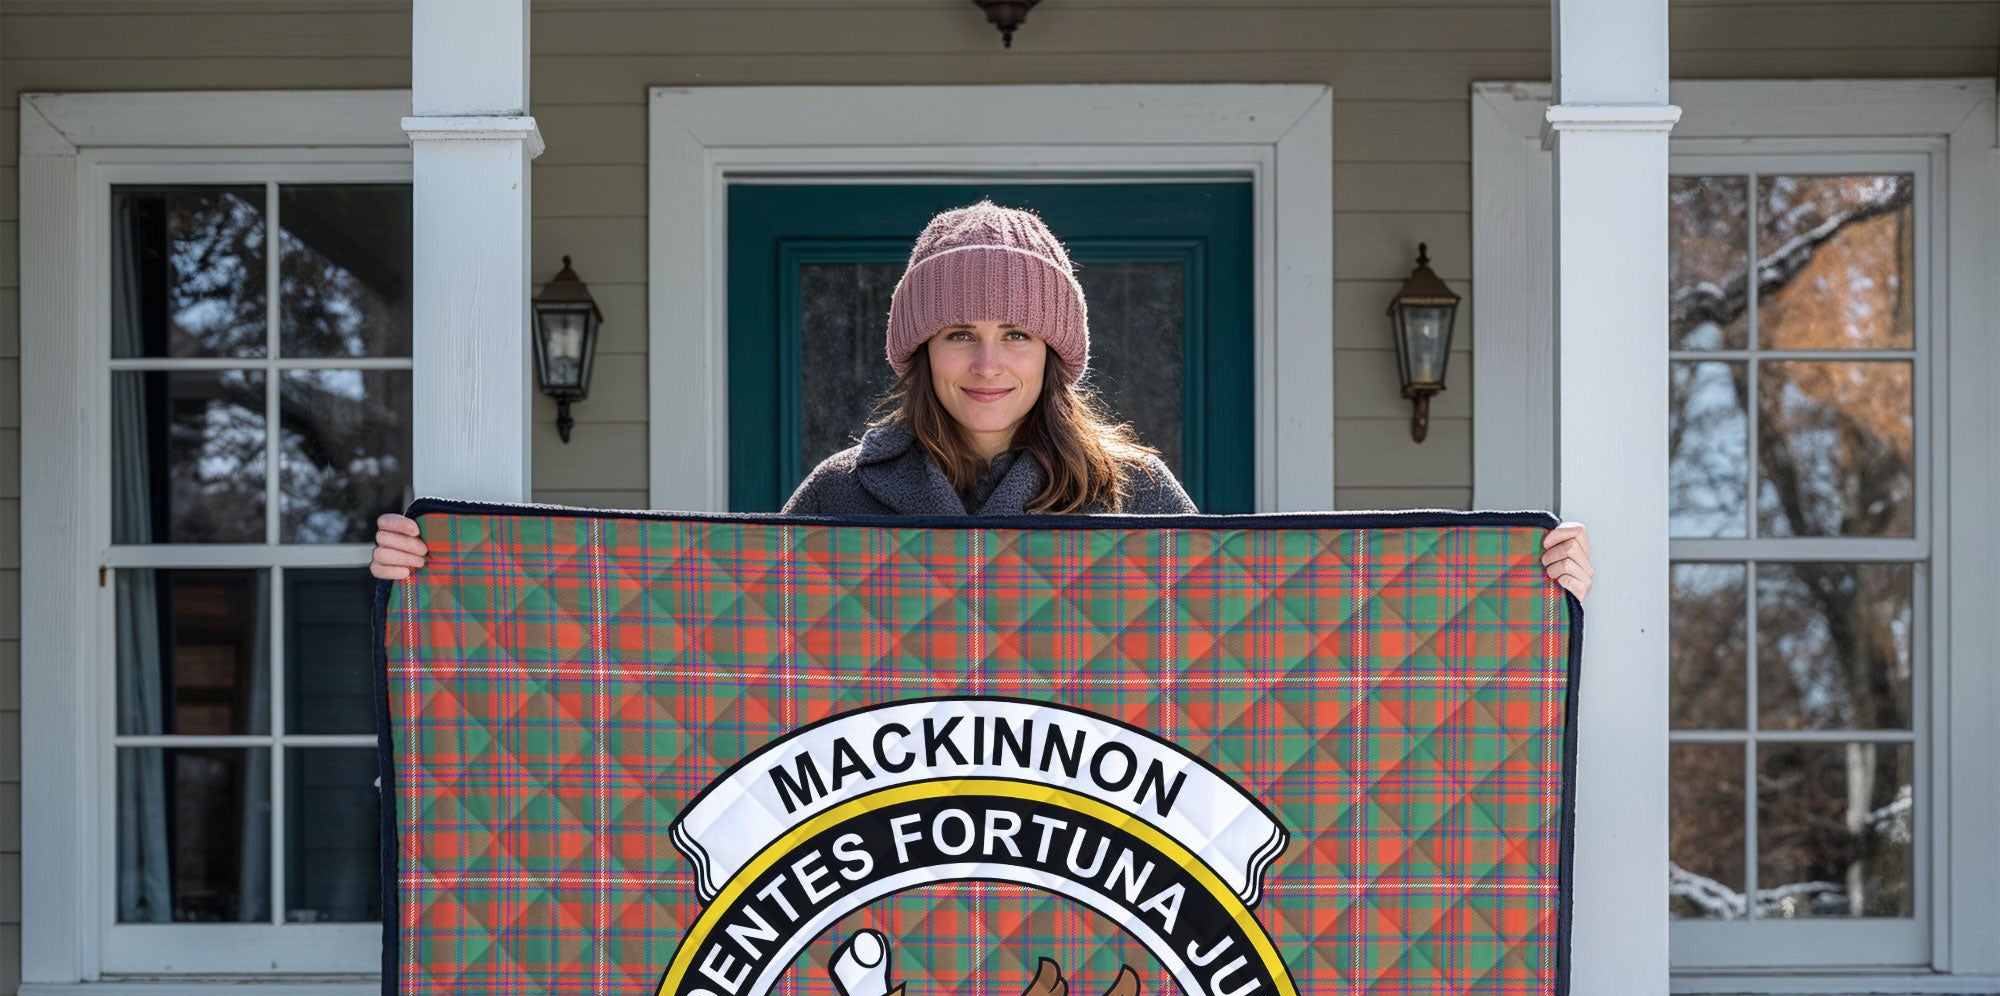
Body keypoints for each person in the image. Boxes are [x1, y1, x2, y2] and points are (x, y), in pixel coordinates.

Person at [371, 198, 1593, 592]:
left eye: (1014, 333)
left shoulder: (1133, 494)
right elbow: (700, 628)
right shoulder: (842, 497)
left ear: (1055, 354)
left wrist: (1506, 586)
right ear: (917, 352)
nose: (986, 360)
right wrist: (456, 574)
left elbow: (1264, 644)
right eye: (957, 332)